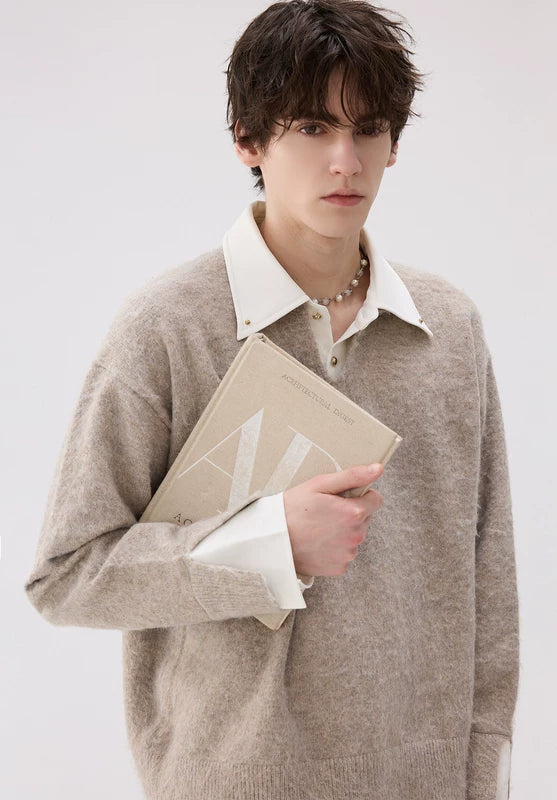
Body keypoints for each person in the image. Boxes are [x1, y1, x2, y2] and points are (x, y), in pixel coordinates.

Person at [24, 1, 520, 798]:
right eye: (313, 128)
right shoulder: (168, 327)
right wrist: (267, 545)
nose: (345, 162)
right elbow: (68, 574)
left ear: (394, 143)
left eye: (369, 129)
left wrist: (484, 774)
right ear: (249, 140)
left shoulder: (449, 330)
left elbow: (488, 586)